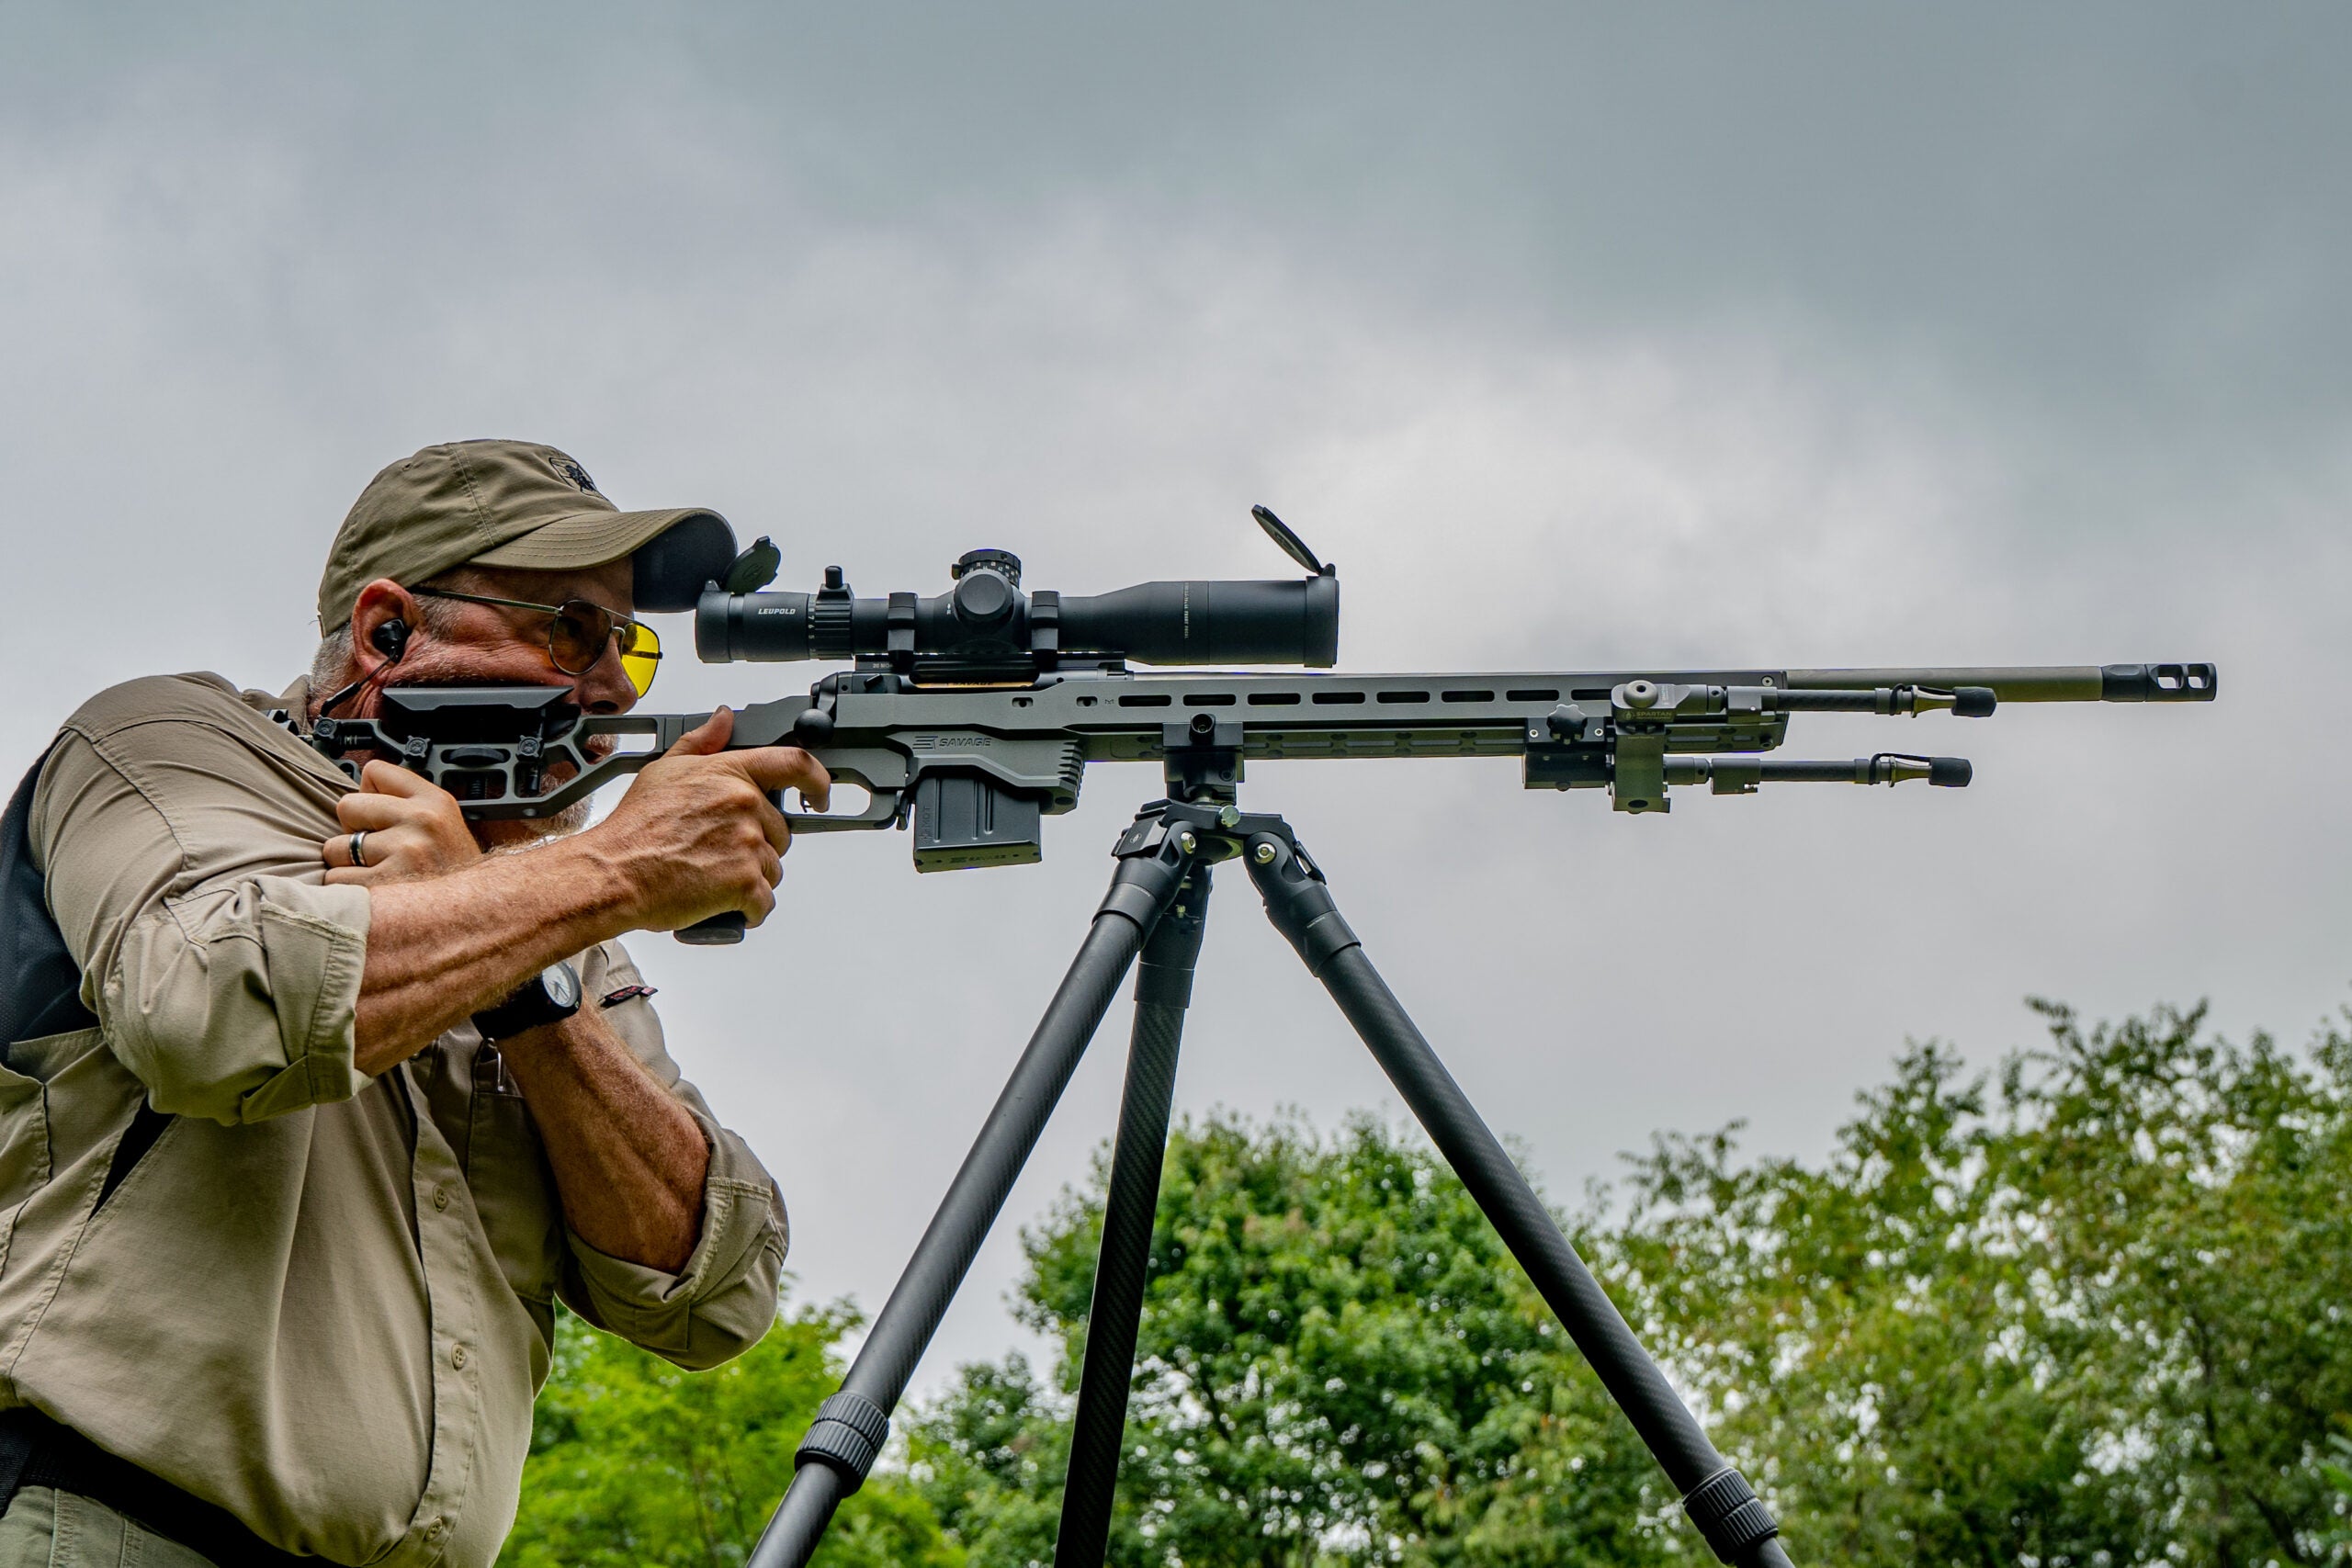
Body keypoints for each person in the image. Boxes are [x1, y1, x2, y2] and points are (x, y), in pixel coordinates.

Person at [0, 439, 829, 1566]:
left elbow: (710, 1293)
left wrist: (531, 977)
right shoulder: (172, 745)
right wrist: (614, 875)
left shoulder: (544, 915)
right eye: (569, 632)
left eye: (625, 647)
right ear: (388, 630)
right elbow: (209, 1013)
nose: (615, 693)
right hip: (101, 1526)